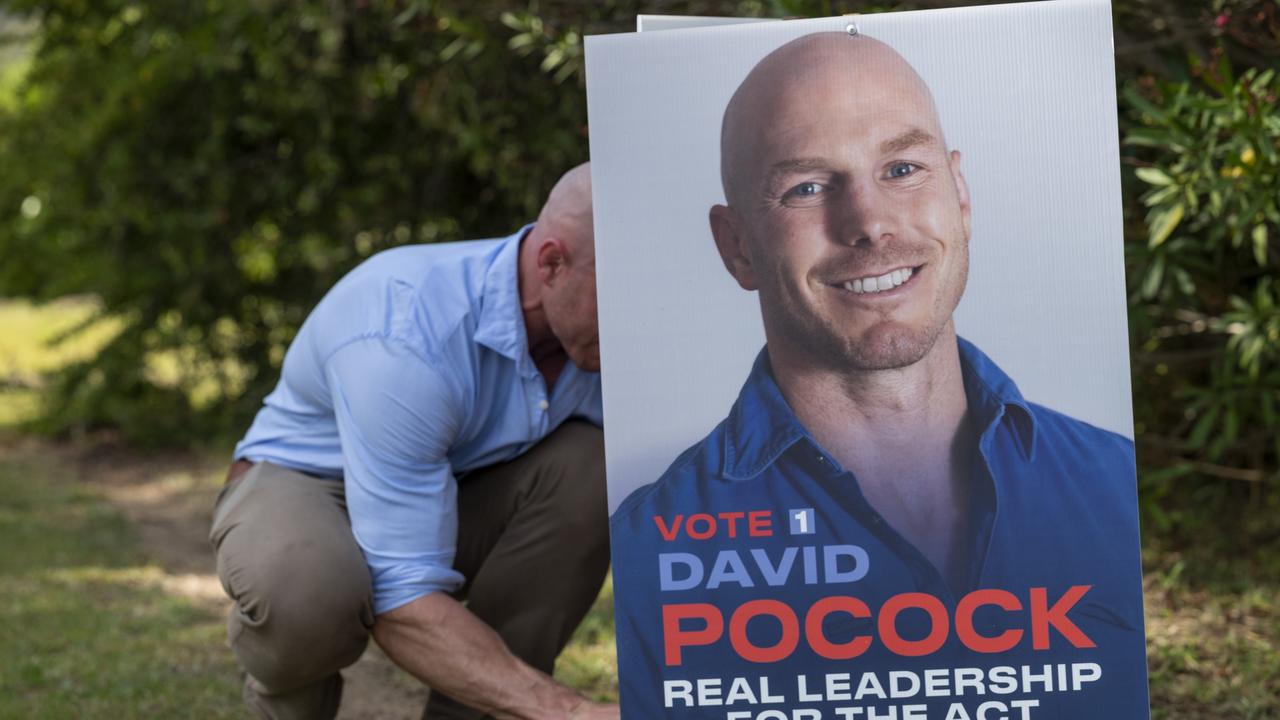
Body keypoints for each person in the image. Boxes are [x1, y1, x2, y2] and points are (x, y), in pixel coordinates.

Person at [609, 33, 1149, 717]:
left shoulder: (1113, 485)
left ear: (960, 193)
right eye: (807, 187)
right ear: (737, 247)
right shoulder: (651, 551)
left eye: (901, 169)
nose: (869, 223)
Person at [210, 163, 619, 720]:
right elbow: (403, 595)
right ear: (552, 263)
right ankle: (286, 682)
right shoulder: (406, 331)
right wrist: (573, 713)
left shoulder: (601, 332)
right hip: (305, 483)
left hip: (447, 486)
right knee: (309, 593)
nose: (637, 318)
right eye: (620, 291)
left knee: (589, 471)